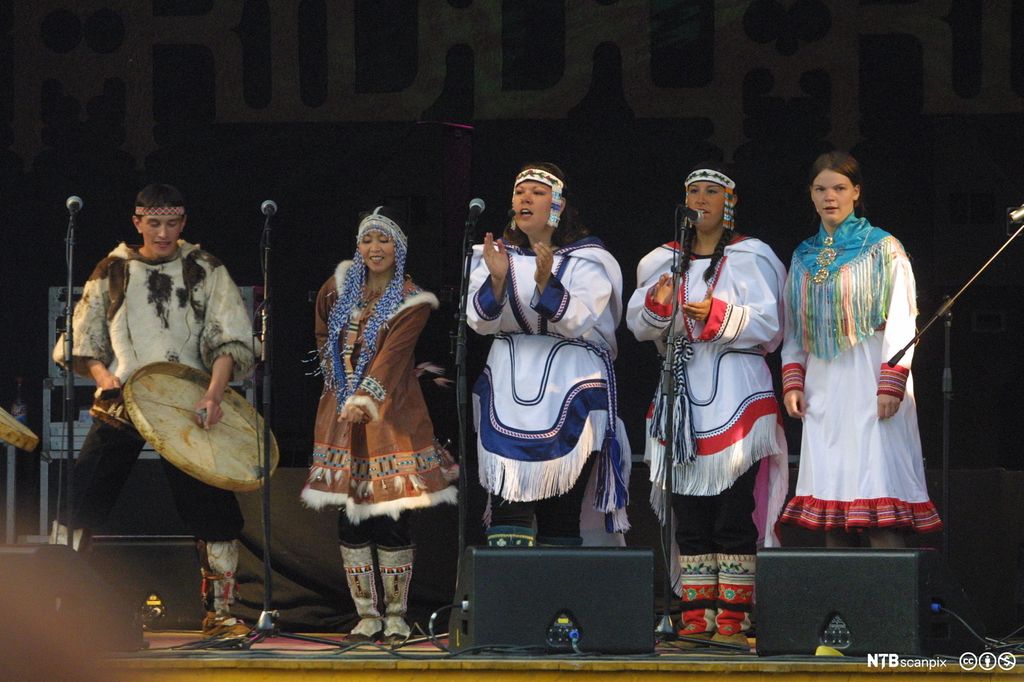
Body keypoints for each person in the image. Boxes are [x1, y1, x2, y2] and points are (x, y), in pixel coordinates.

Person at [52, 183, 256, 637]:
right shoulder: (114, 268)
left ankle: (221, 612)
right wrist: (107, 381)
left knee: (213, 505)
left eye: (172, 223)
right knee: (82, 497)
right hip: (126, 398)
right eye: (154, 222)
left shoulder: (205, 268)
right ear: (138, 221)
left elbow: (231, 339)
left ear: (183, 223)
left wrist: (215, 394)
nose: (163, 232)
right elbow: (82, 341)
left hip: (188, 400)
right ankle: (58, 602)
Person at [626, 165, 788, 647]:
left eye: (711, 191)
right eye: (693, 191)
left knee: (733, 512)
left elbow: (772, 326)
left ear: (729, 202)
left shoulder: (752, 256)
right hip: (681, 395)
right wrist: (660, 305)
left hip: (736, 390)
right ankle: (695, 617)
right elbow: (638, 324)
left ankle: (734, 619)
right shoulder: (663, 259)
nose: (701, 199)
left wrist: (717, 314)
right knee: (690, 513)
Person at [301, 206, 458, 645]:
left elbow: (392, 358)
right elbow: (321, 334)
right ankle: (366, 614)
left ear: (399, 249)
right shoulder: (336, 290)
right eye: (368, 240)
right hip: (341, 412)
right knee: (352, 514)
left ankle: (396, 615)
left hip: (390, 413)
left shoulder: (412, 300)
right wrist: (338, 382)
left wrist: (364, 398)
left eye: (384, 240)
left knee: (389, 514)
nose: (375, 248)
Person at [780, 151, 942, 547]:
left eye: (838, 187)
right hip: (824, 385)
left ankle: (889, 604)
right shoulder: (803, 256)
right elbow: (794, 327)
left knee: (877, 496)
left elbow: (903, 318)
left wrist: (891, 382)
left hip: (870, 375)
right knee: (833, 507)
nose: (829, 196)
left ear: (856, 191)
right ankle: (842, 604)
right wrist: (793, 380)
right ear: (811, 195)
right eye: (820, 189)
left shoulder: (883, 248)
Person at [467, 162, 631, 548]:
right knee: (508, 512)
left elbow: (577, 320)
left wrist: (546, 282)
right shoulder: (493, 255)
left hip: (569, 383)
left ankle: (557, 603)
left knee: (560, 512)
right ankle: (511, 604)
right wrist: (496, 279)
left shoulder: (589, 259)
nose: (525, 197)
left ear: (558, 204)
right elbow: (479, 320)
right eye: (520, 191)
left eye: (537, 193)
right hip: (509, 383)